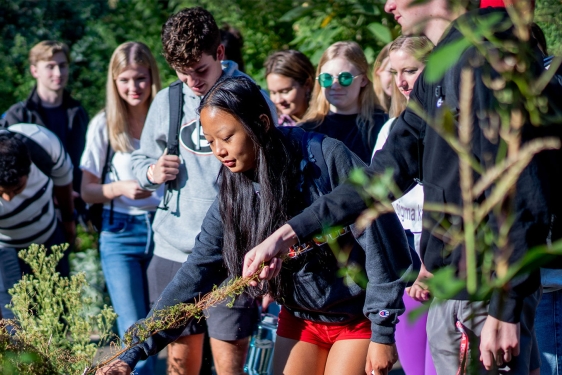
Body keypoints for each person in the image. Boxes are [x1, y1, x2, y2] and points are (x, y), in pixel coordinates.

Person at [243, 1, 559, 374]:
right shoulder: (440, 69)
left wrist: (508, 307)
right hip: (451, 291)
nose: (388, 4)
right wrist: (289, 232)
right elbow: (379, 178)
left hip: (485, 297)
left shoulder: (488, 54)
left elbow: (521, 182)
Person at [96, 75, 411, 375]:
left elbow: (382, 236)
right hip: (300, 316)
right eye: (210, 141)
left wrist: (383, 331)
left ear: (261, 123)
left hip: (357, 317)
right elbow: (196, 272)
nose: (219, 150)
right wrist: (132, 352)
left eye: (227, 136)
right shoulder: (232, 193)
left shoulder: (324, 157)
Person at [129, 7, 276, 375]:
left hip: (233, 256)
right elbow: (139, 160)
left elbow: (274, 174)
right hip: (173, 250)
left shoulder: (250, 98)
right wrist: (151, 171)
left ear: (221, 54)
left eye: (201, 71)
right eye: (183, 73)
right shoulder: (169, 100)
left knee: (230, 364)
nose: (193, 81)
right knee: (180, 363)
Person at [79, 42, 162, 375]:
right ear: (114, 82)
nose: (133, 88)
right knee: (135, 335)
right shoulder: (104, 124)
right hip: (120, 234)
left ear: (152, 76)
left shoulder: (167, 117)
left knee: (162, 330)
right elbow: (86, 190)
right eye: (125, 80)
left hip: (165, 231)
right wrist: (121, 189)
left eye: (140, 78)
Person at [372, 35, 436, 375]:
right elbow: (379, 205)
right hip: (405, 267)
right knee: (413, 370)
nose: (402, 82)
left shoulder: (450, 129)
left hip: (442, 266)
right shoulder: (390, 131)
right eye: (396, 72)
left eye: (411, 69)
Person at [3, 40, 89, 219]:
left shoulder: (78, 112)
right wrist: (55, 194)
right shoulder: (17, 115)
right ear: (34, 70)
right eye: (50, 66)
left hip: (75, 207)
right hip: (31, 209)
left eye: (62, 66)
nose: (58, 73)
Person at [0, 124, 74, 320]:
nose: (9, 199)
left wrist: (69, 222)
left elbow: (64, 185)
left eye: (17, 189)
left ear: (29, 167)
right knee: (16, 322)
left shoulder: (43, 144)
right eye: (2, 192)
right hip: (6, 249)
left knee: (58, 315)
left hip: (49, 236)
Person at [299, 41, 387, 164]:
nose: (335, 85)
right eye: (327, 78)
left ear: (363, 80)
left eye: (345, 78)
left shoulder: (384, 126)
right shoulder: (305, 132)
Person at [265, 50, 315, 127]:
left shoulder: (328, 120)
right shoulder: (271, 125)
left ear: (307, 84)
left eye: (285, 91)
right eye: (273, 93)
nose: (278, 100)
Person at [372, 43, 393, 114]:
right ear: (378, 71)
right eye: (391, 72)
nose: (397, 79)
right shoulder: (368, 110)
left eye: (406, 71)